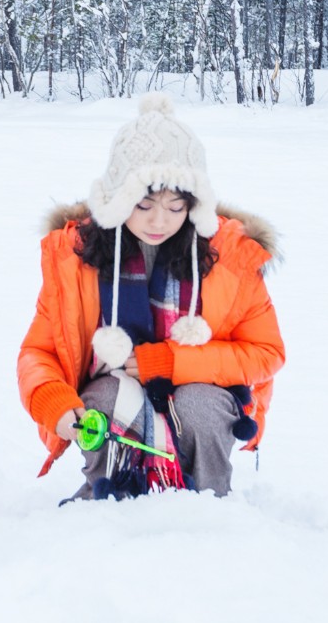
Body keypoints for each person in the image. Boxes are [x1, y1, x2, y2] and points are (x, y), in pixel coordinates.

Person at [16, 93, 284, 498]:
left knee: (200, 409)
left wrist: (172, 362)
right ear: (119, 198)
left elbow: (265, 354)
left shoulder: (229, 257)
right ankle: (109, 502)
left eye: (176, 207)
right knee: (105, 400)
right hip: (113, 385)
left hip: (204, 387)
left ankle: (209, 505)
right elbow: (39, 353)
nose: (160, 221)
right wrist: (52, 401)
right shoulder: (76, 260)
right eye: (143, 205)